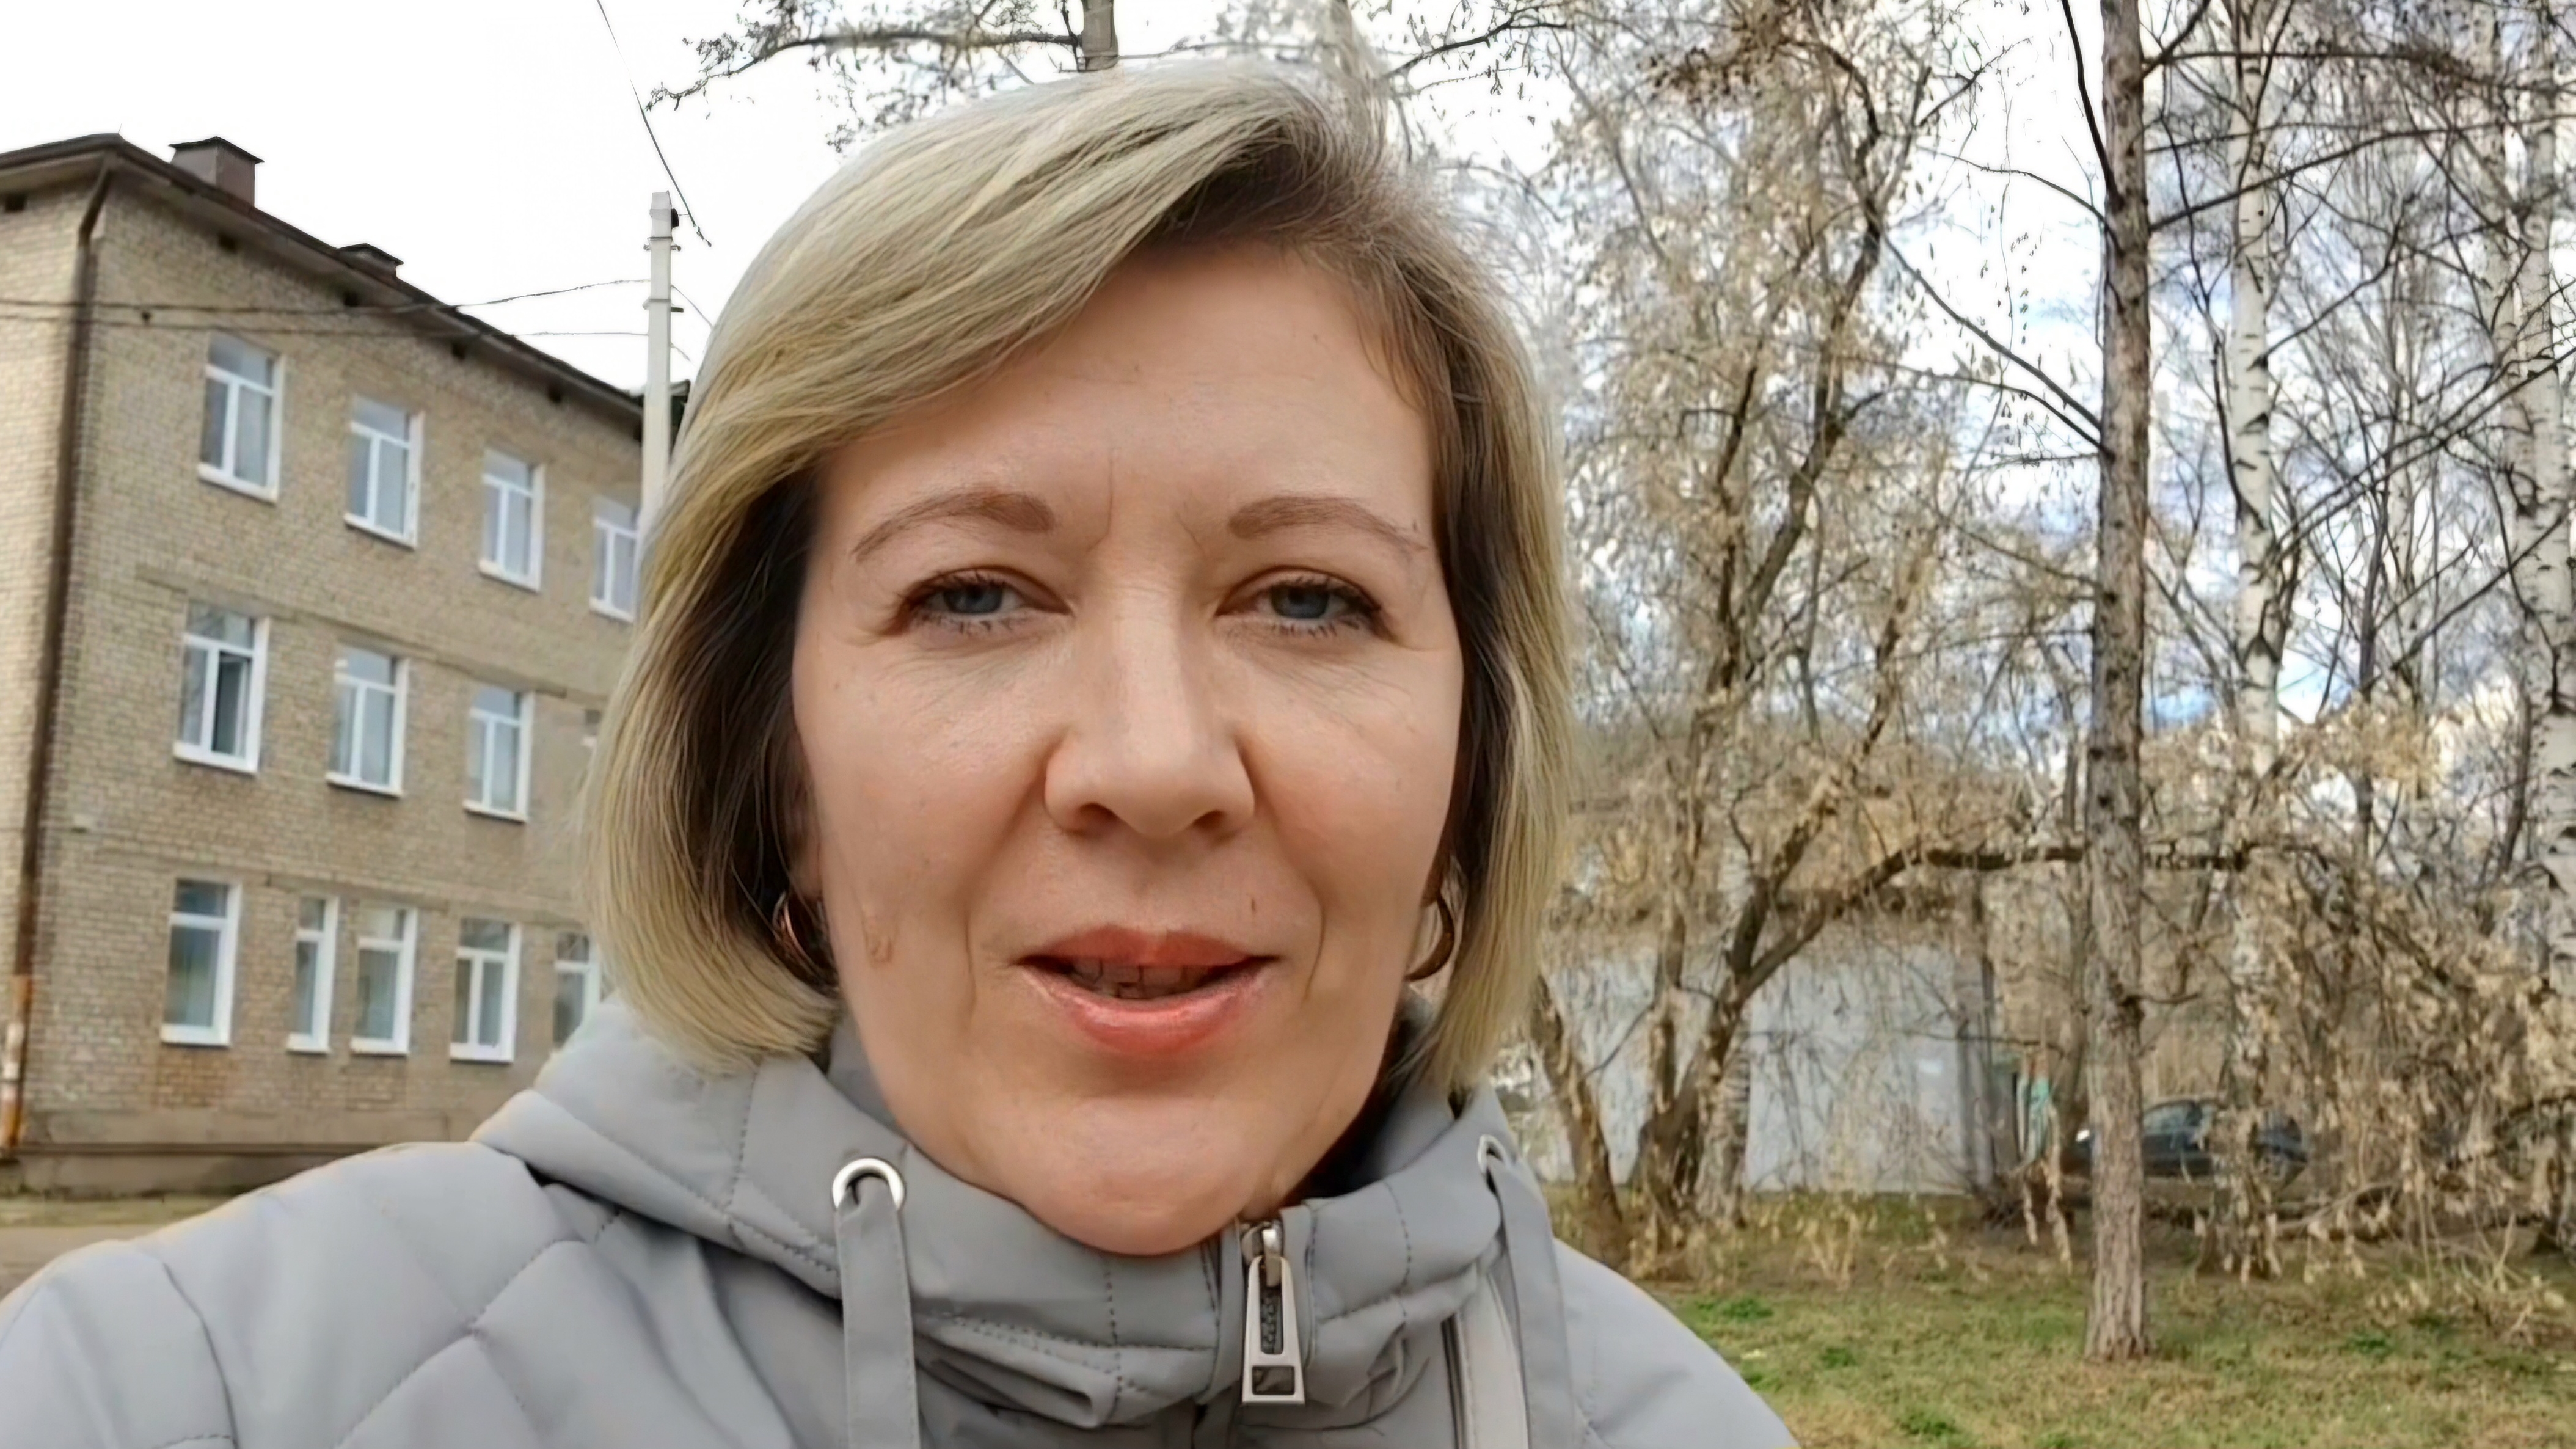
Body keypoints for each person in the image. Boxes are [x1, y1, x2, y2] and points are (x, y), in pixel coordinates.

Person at [0, 61, 1792, 1449]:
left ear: (1471, 775)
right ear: (772, 769)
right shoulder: (203, 1386)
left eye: (1309, 600)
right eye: (974, 596)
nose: (1153, 762)